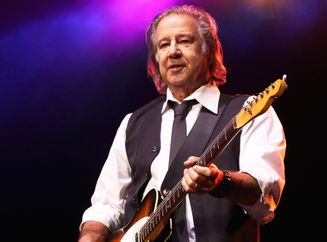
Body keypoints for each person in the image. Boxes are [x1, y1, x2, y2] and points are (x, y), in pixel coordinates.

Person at [78, 4, 286, 242]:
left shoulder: (249, 111)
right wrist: (91, 235)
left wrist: (221, 182)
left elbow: (265, 195)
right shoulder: (133, 124)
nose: (173, 52)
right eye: (163, 45)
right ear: (155, 58)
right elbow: (107, 204)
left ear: (208, 50)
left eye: (185, 41)